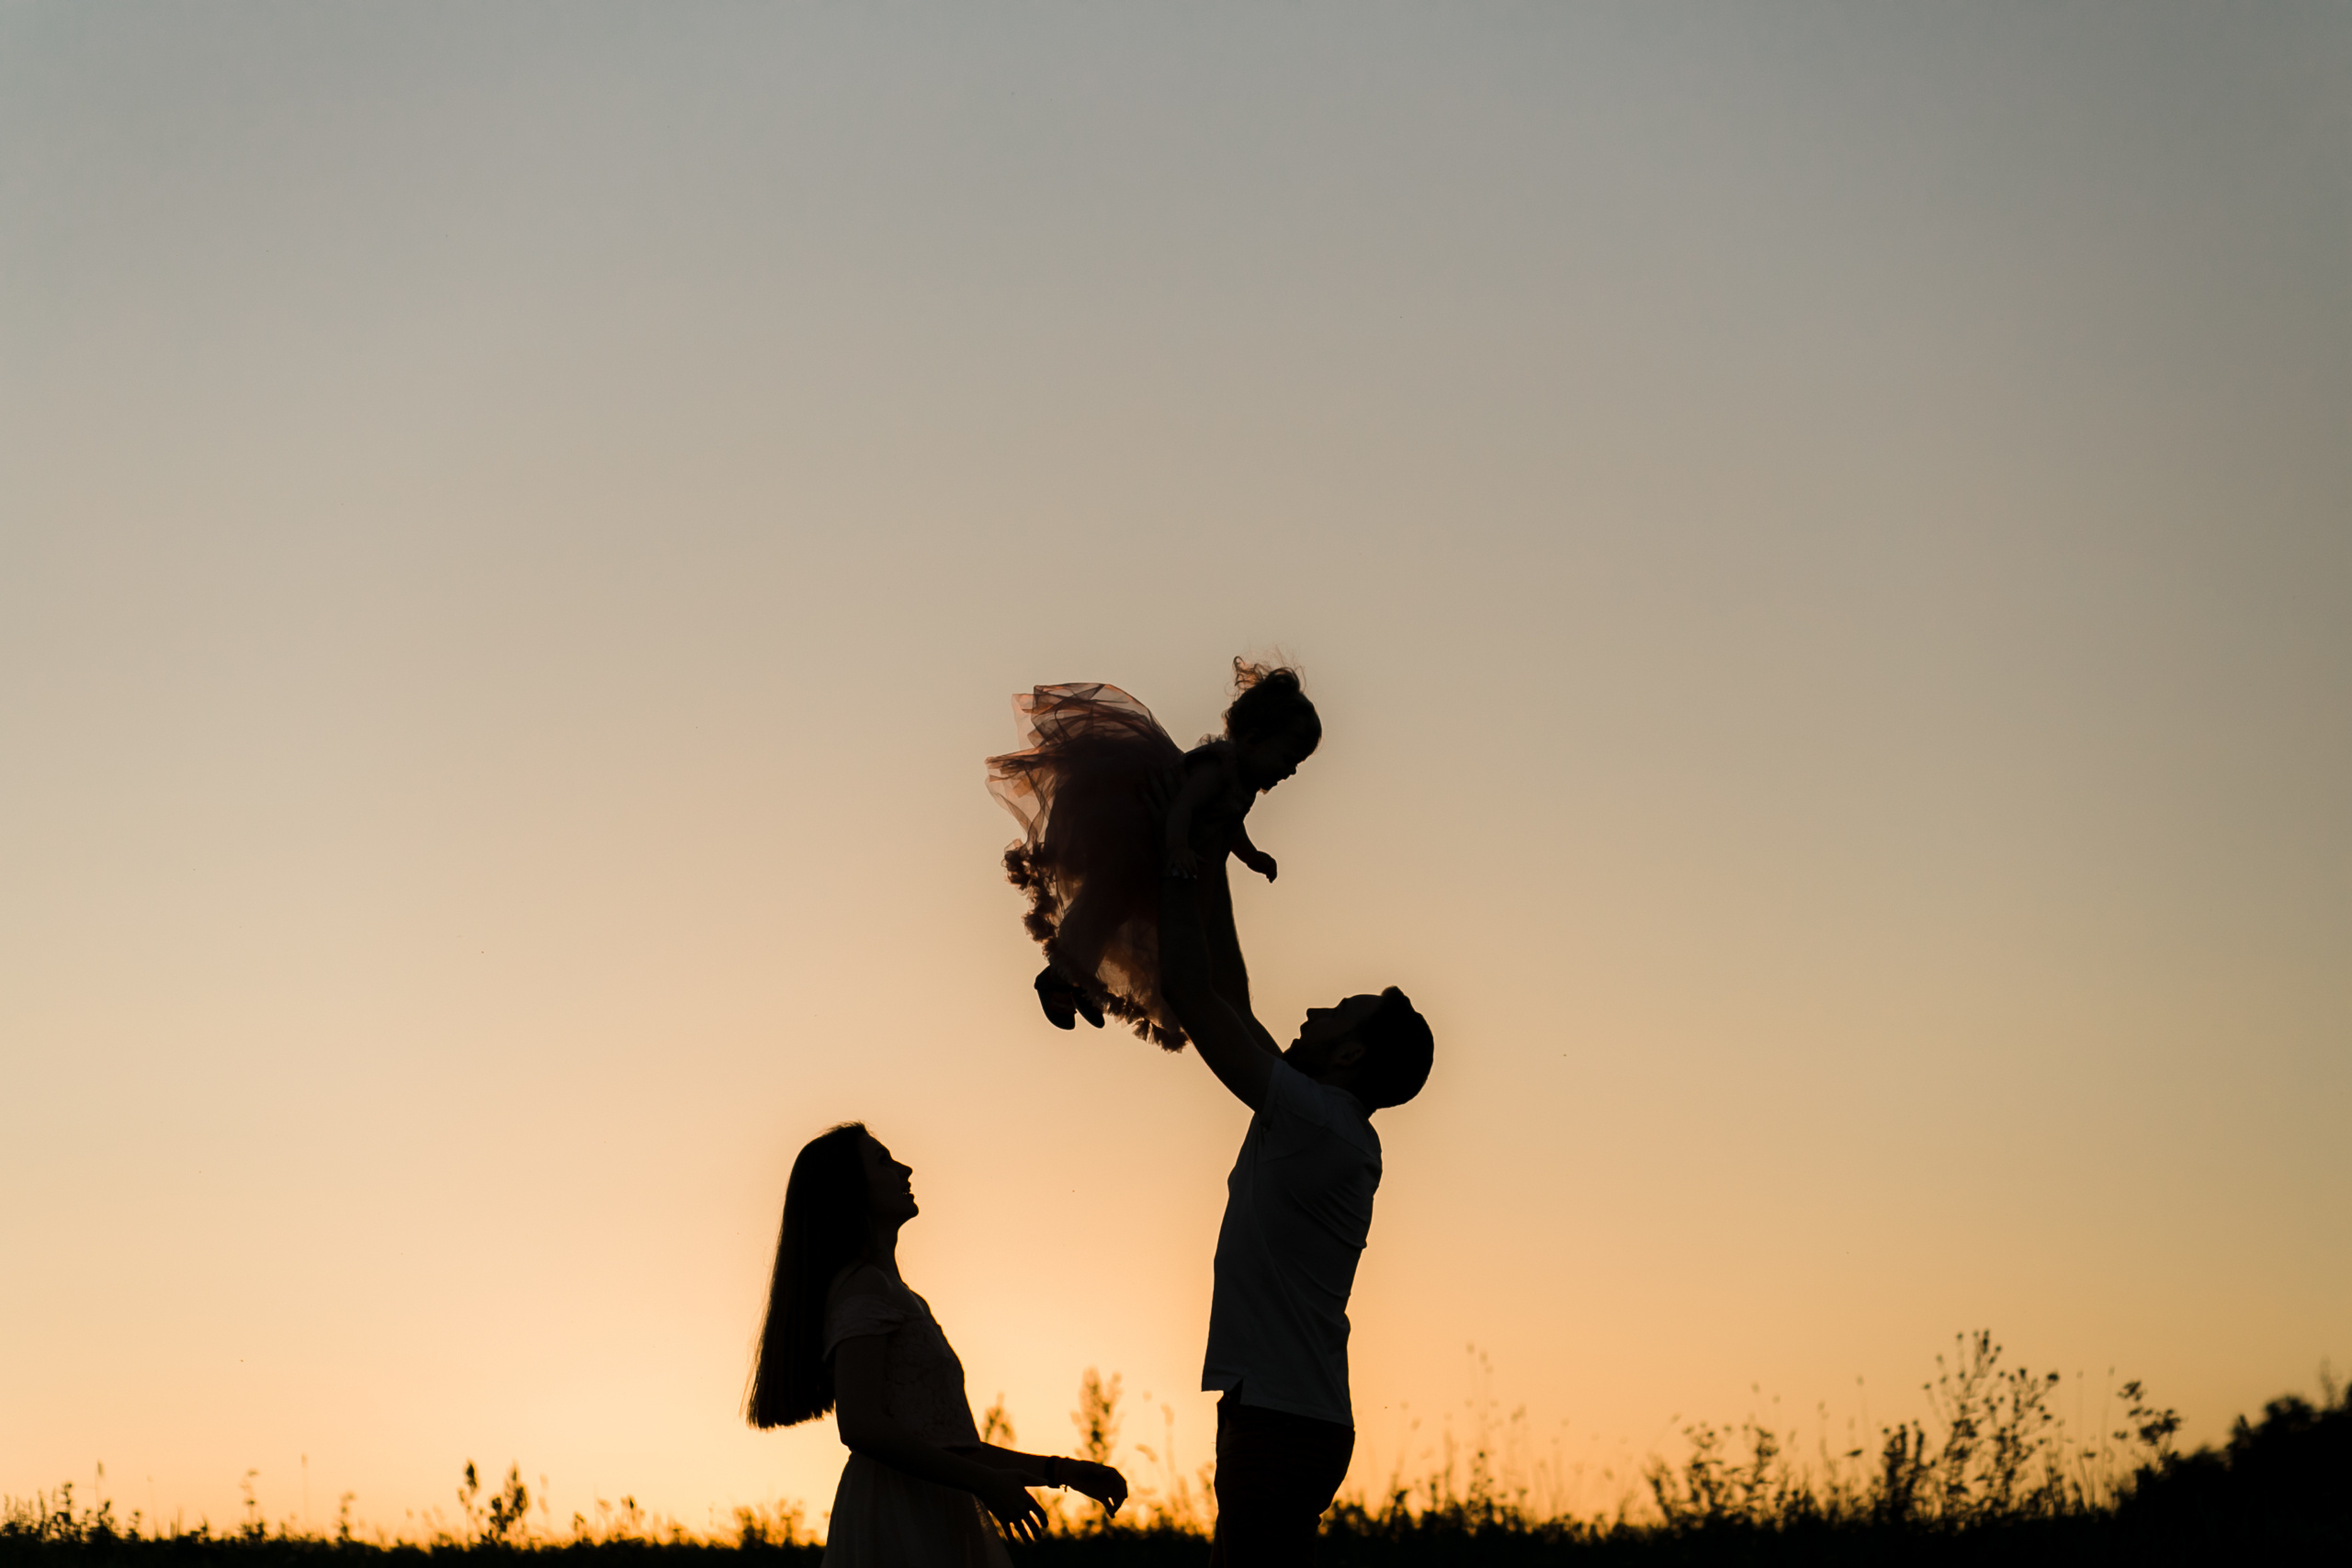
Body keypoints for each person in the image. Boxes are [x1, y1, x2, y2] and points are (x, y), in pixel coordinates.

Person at [1154, 846, 1435, 1566]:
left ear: (1349, 1057)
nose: (1314, 1009)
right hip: (1281, 1413)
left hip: (1283, 1420)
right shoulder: (1317, 1118)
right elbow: (1229, 994)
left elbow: (1192, 992)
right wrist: (1211, 857)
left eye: (1339, 1013)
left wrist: (1179, 859)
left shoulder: (1319, 1121)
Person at [746, 1122, 1128, 1565]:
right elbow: (861, 1426)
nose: (905, 1170)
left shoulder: (897, 1295)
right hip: (897, 1517)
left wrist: (1061, 1471)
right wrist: (985, 1483)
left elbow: (949, 1445)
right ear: (850, 1188)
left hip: (932, 1506)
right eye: (883, 1161)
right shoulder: (865, 1290)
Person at [986, 659, 1322, 1047]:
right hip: (1147, 847)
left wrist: (1252, 855)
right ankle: (1058, 977)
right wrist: (1177, 846)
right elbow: (1183, 809)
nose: (1291, 771)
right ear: (1253, 740)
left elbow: (1230, 824)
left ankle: (1082, 981)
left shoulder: (1242, 785)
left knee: (1123, 923)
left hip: (1180, 864)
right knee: (1106, 909)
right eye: (1288, 759)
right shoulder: (1216, 770)